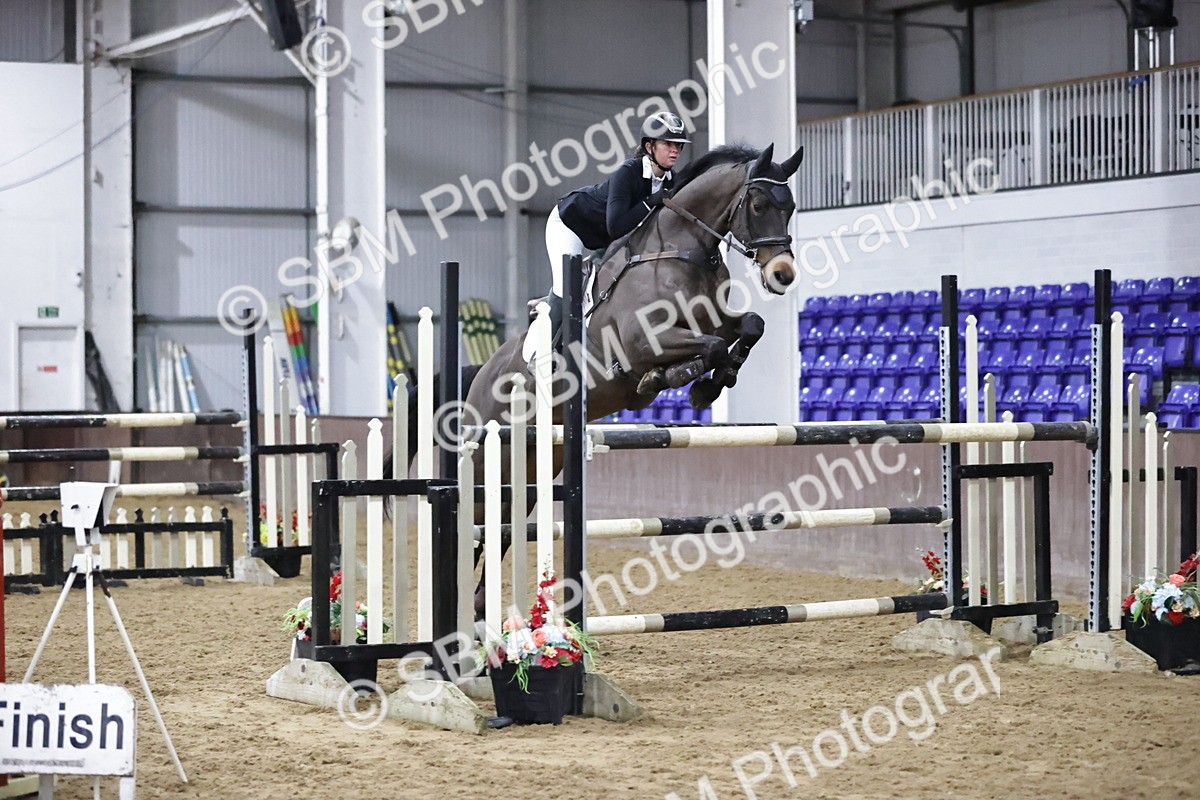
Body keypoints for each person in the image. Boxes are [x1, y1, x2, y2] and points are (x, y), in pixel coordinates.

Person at [537, 111, 691, 342]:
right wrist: (650, 202)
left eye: (678, 145)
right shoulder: (627, 172)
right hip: (571, 224)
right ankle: (547, 351)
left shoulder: (671, 181)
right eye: (668, 144)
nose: (675, 150)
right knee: (568, 288)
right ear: (649, 147)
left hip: (604, 239)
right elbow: (616, 227)